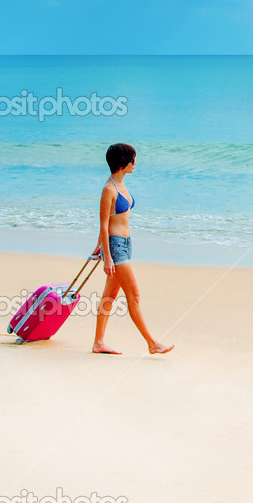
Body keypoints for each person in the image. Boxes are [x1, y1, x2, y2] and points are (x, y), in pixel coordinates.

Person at [91, 143, 174, 355]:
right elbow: (103, 224)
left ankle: (98, 342)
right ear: (122, 163)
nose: (135, 164)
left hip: (126, 245)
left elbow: (111, 220)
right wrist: (106, 256)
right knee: (134, 295)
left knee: (109, 295)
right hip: (116, 247)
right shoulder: (109, 189)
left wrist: (99, 247)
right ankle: (152, 343)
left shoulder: (121, 185)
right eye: (132, 160)